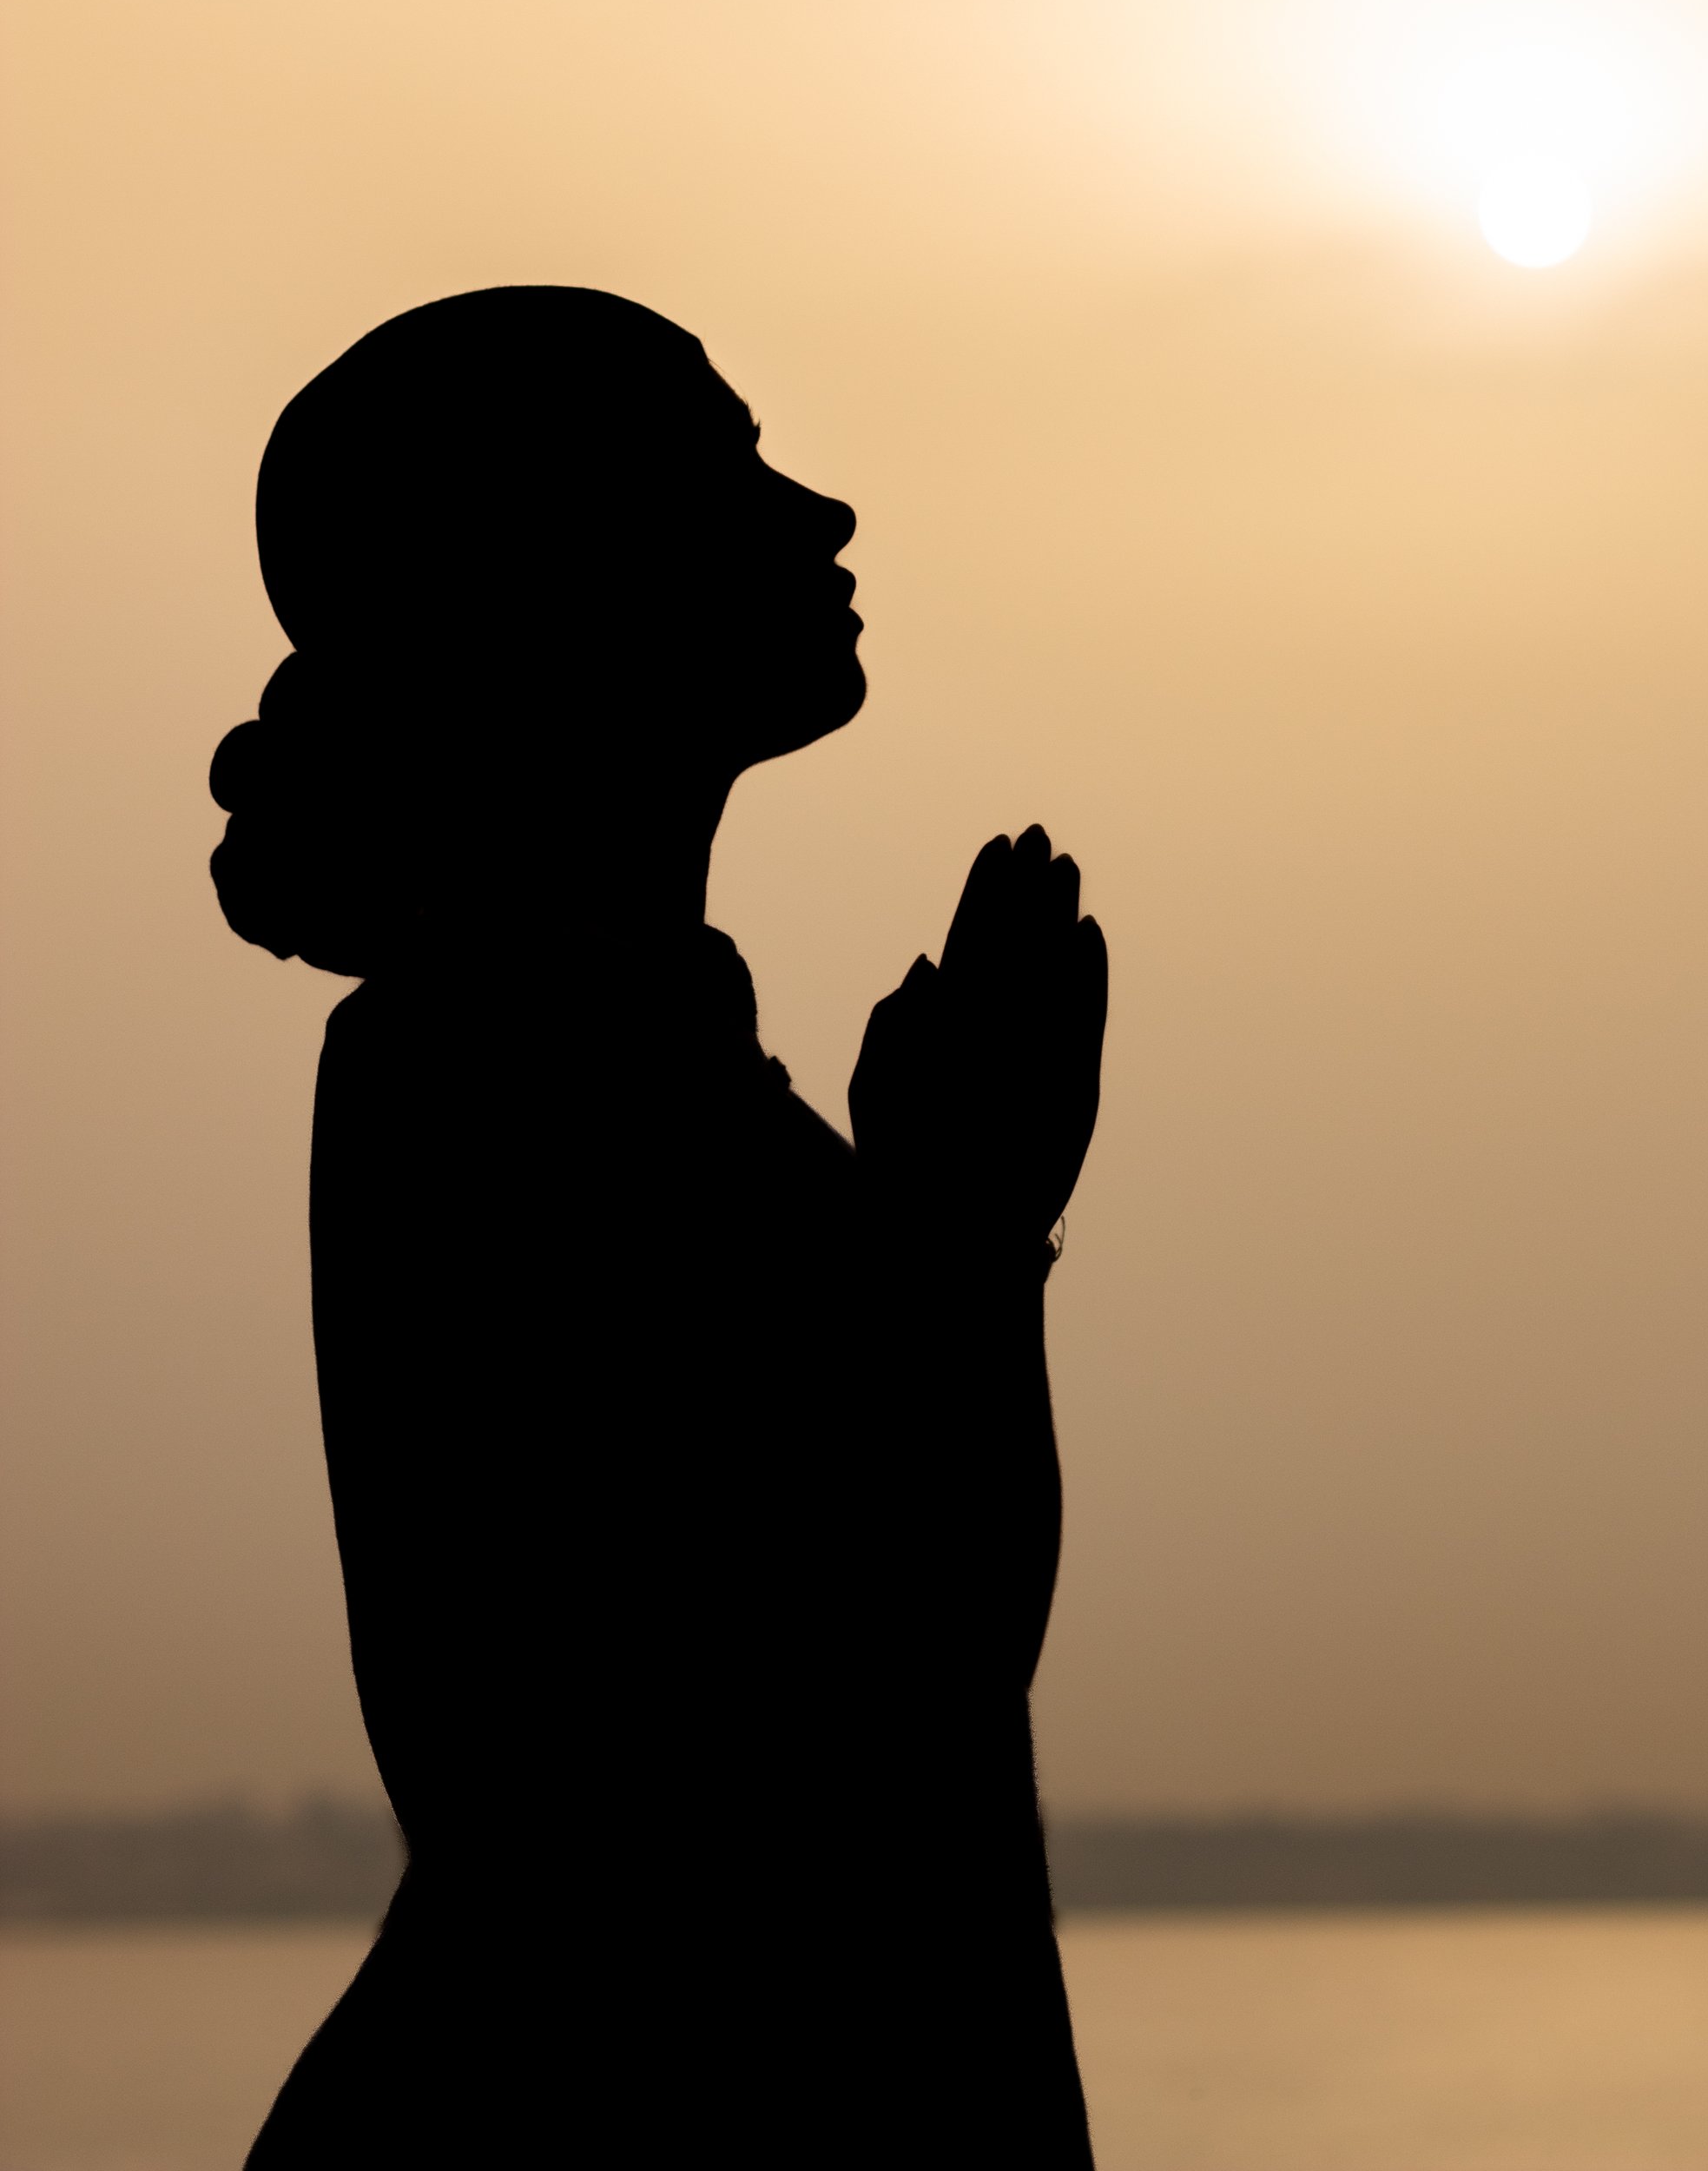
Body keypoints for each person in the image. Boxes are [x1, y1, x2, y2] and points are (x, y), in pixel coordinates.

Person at [207, 284, 1105, 2164]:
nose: (817, 519)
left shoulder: (640, 1068)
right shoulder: (483, 1072)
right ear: (561, 582)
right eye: (731, 469)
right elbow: (837, 1697)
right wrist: (957, 1234)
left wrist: (963, 1229)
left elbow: (931, 1656)